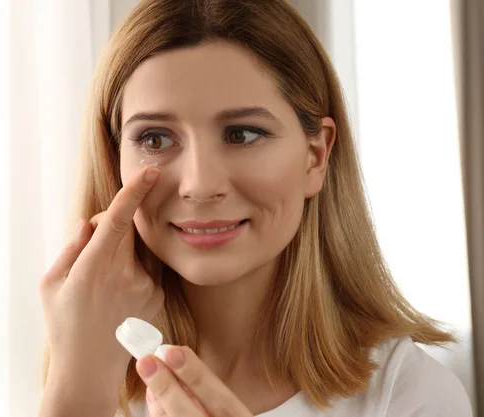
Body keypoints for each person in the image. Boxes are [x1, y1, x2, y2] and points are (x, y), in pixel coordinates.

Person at [37, 0, 473, 416]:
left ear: (315, 156)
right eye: (154, 139)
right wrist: (76, 391)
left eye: (242, 134)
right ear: (114, 160)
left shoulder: (408, 396)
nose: (200, 185)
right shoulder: (85, 376)